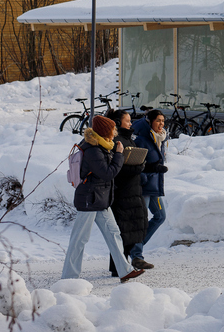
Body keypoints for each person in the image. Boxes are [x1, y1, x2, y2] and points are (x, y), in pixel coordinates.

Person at [61, 115, 144, 282]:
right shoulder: (93, 150)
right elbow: (107, 173)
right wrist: (119, 155)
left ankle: (125, 270)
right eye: (112, 130)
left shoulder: (102, 146)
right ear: (105, 132)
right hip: (90, 200)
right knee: (79, 239)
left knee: (114, 234)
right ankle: (69, 278)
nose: (114, 133)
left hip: (100, 200)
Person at [106, 110, 148, 277]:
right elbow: (118, 166)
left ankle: (118, 266)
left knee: (131, 228)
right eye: (128, 121)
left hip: (132, 189)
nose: (131, 124)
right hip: (123, 190)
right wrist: (138, 167)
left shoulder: (127, 138)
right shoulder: (116, 141)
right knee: (124, 229)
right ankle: (119, 267)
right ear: (118, 122)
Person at [128, 109, 168, 269]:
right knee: (141, 220)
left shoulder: (160, 138)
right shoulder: (142, 140)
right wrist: (152, 169)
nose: (161, 124)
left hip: (154, 187)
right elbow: (135, 164)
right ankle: (137, 255)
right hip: (144, 187)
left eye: (163, 121)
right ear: (150, 122)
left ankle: (133, 246)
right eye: (158, 120)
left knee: (160, 216)